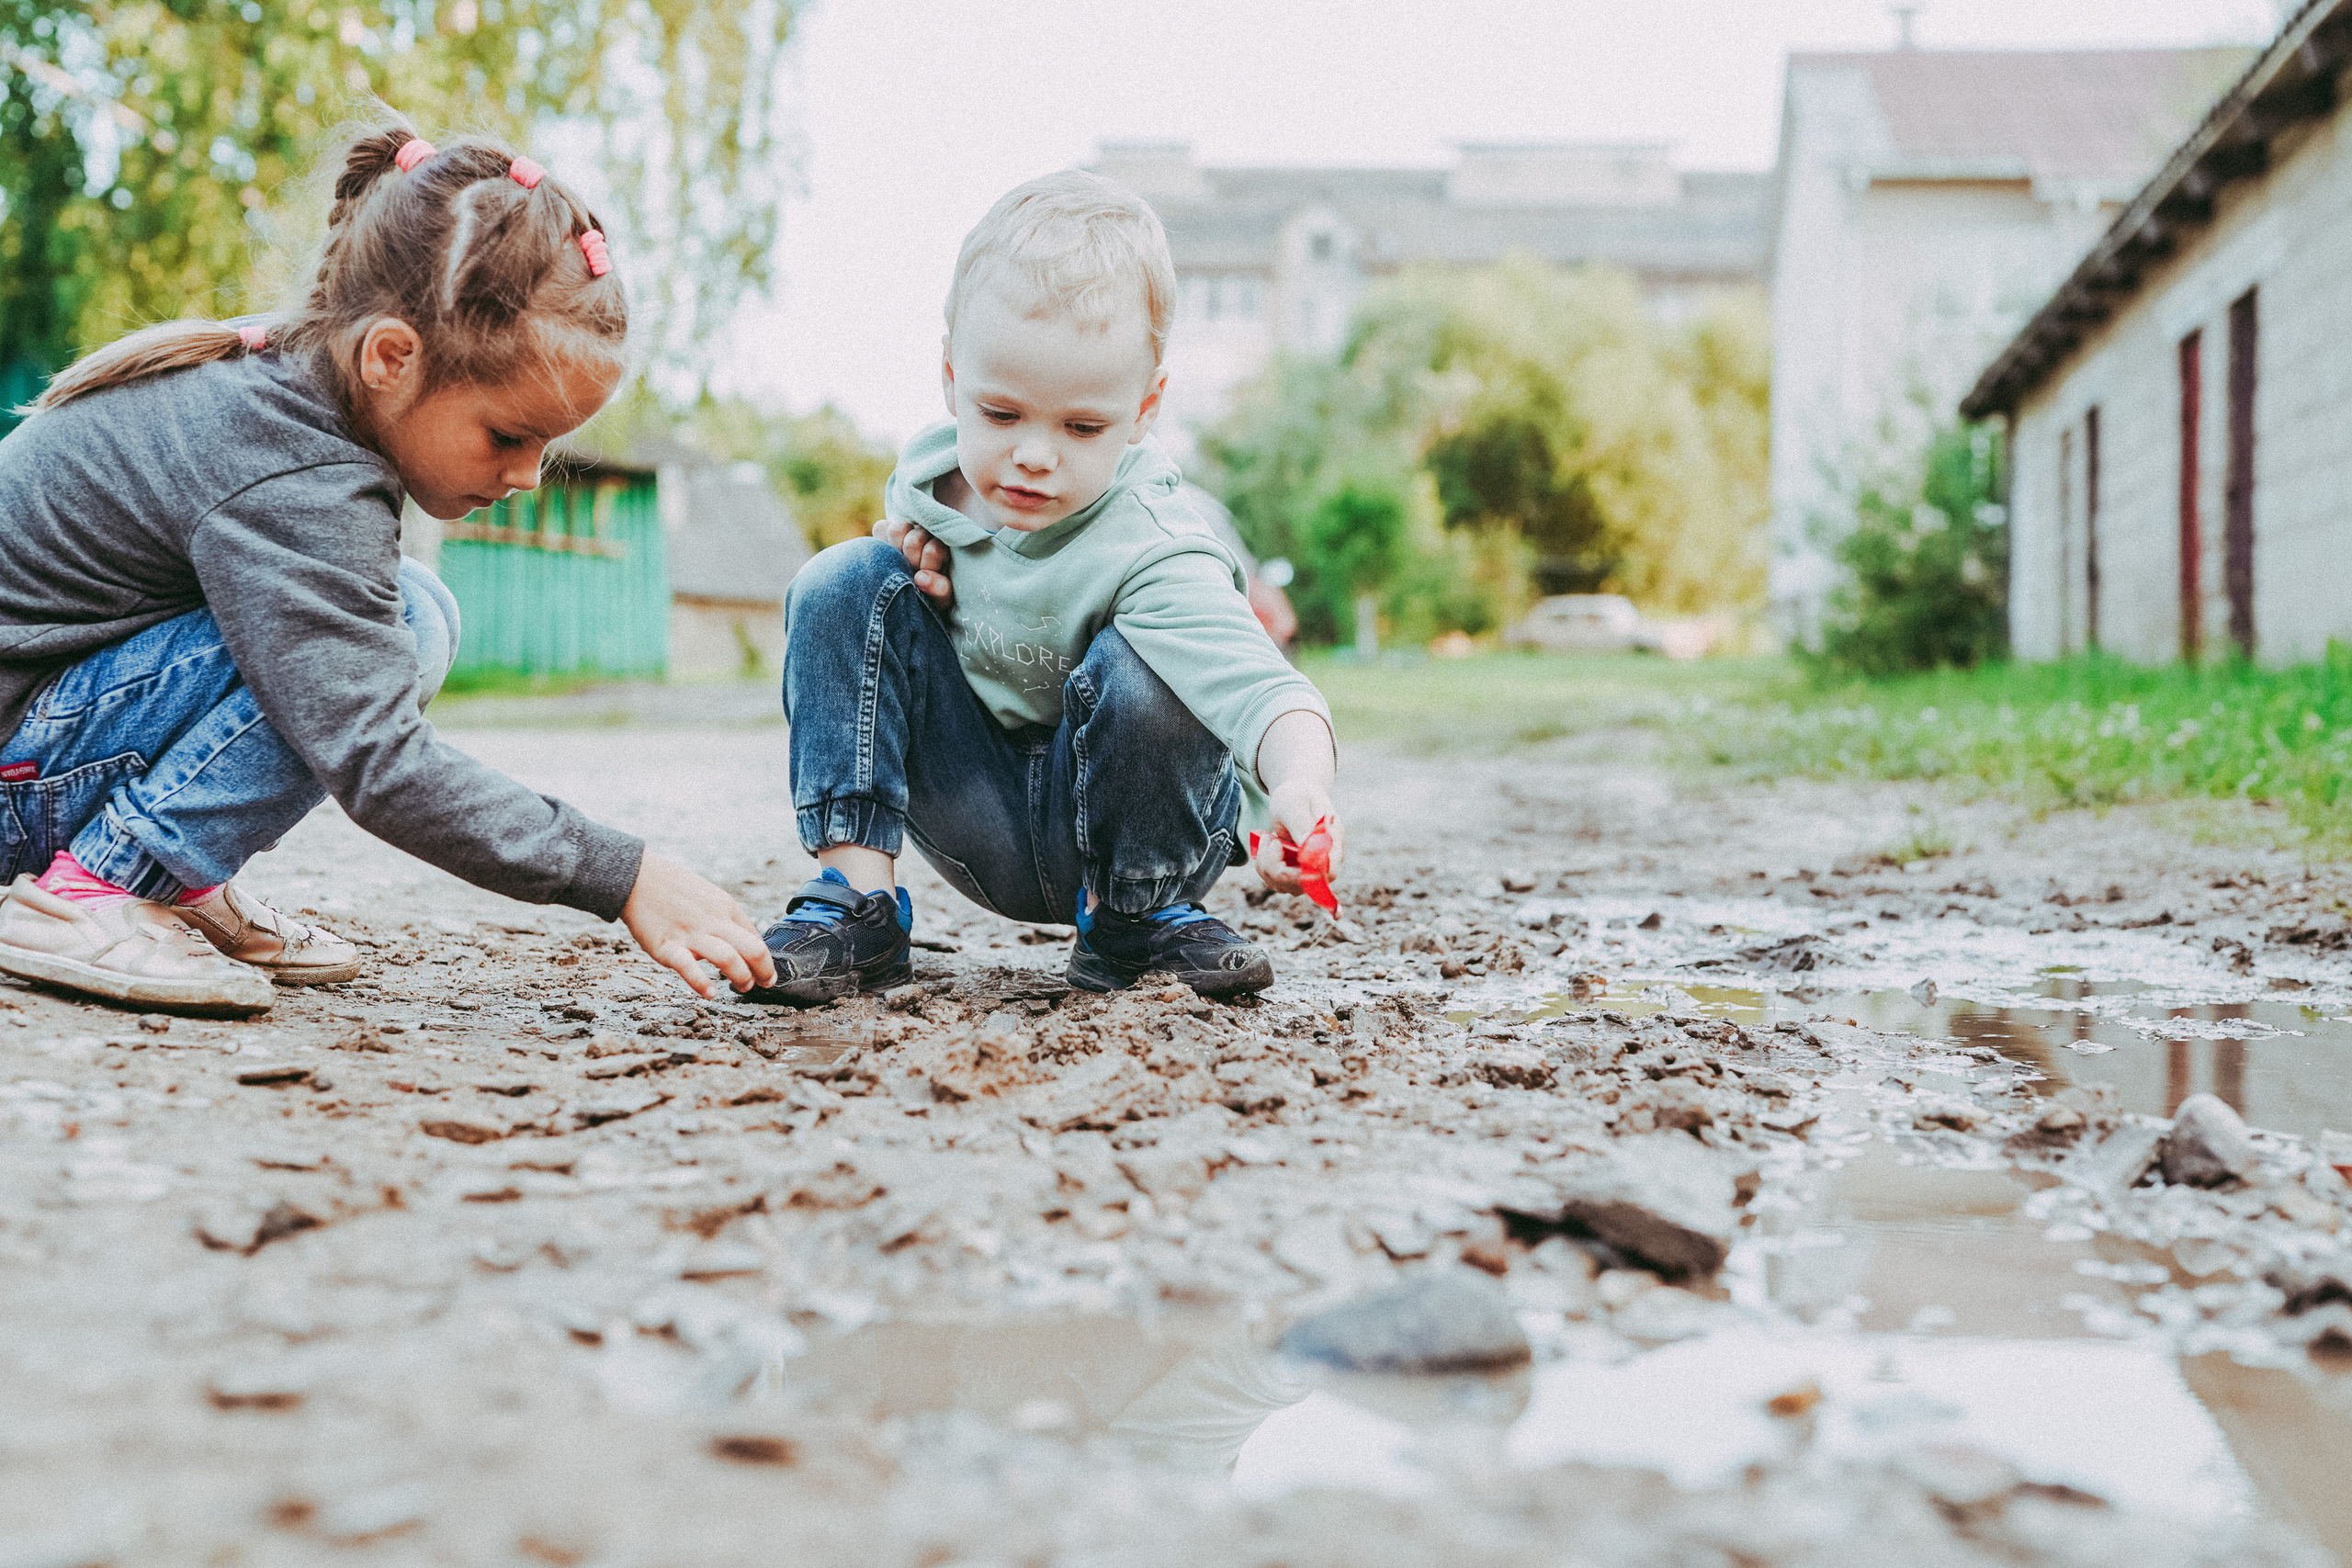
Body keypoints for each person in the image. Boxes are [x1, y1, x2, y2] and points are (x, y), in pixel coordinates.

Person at [0, 115, 775, 1013]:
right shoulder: (295, 466)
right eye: (509, 435)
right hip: (19, 774)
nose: (527, 476)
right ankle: (98, 888)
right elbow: (377, 758)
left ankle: (166, 873)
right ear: (391, 358)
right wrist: (623, 873)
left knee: (414, 610)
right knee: (400, 628)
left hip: (40, 743)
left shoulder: (285, 388)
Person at [756, 170, 1340, 1005]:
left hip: (1135, 823)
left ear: (1144, 409)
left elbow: (1267, 692)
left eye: (1081, 426)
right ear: (953, 378)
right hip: (979, 817)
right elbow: (879, 642)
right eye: (1001, 414)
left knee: (1150, 662)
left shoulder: (1157, 542)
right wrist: (914, 594)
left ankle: (1136, 920)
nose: (1034, 454)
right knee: (845, 578)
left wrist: (1301, 788)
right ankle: (858, 901)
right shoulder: (926, 485)